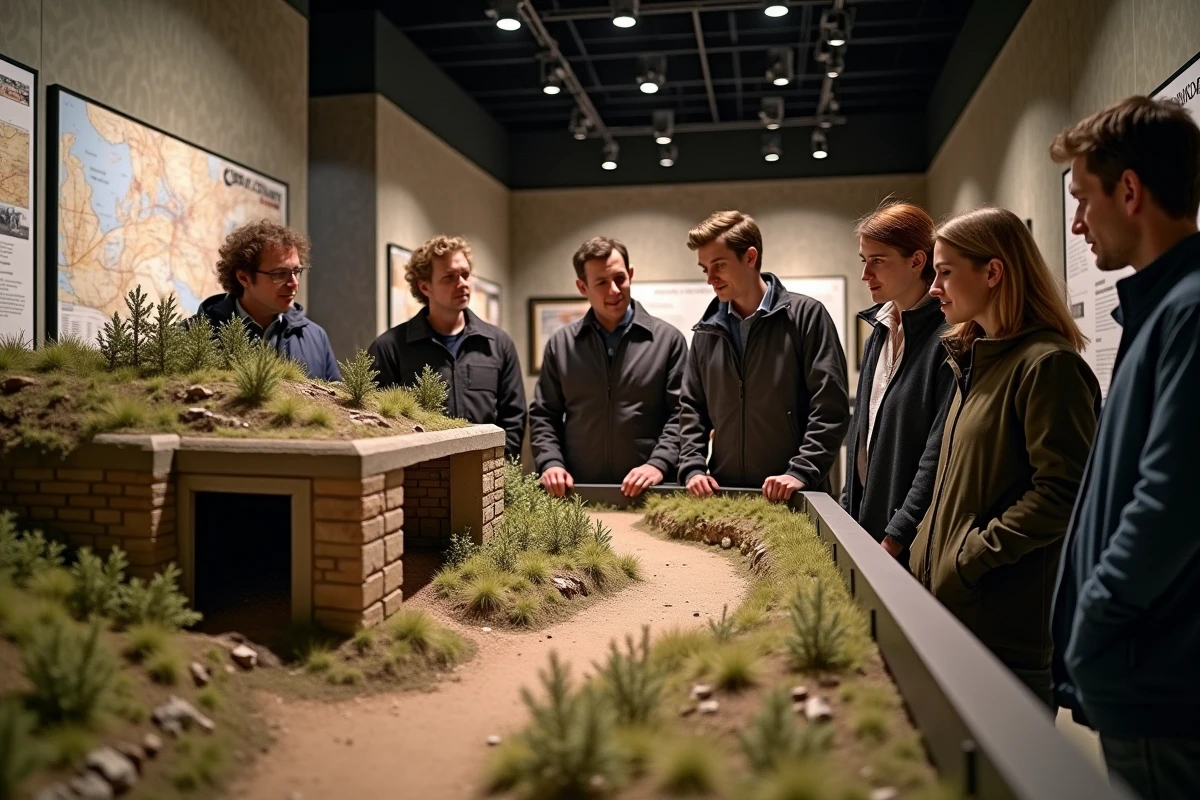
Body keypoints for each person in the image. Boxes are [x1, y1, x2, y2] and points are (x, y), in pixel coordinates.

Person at [1049, 96, 1200, 800]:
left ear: (1130, 191)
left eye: (1083, 198)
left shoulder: (1188, 311)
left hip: (1160, 676)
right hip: (1143, 667)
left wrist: (1095, 620)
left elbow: (1172, 499)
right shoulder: (1165, 307)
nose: (1078, 223)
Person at [908, 206, 1099, 709]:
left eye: (945, 272)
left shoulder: (1048, 366)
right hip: (954, 616)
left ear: (993, 272)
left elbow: (1062, 494)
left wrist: (967, 559)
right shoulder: (975, 360)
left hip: (1002, 634)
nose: (934, 288)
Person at [678, 210, 849, 501]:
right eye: (705, 269)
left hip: (796, 496)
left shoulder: (807, 317)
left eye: (719, 265)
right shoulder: (707, 331)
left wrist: (801, 472)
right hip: (725, 497)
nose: (710, 279)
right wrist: (692, 468)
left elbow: (830, 407)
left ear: (750, 257)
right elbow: (692, 408)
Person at [530, 236, 687, 498]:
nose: (614, 290)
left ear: (631, 274)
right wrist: (551, 463)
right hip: (578, 493)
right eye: (601, 282)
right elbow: (545, 415)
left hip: (652, 492)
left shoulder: (668, 340)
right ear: (582, 287)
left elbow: (682, 413)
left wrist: (658, 463)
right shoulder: (561, 344)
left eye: (620, 278)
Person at [841, 202, 953, 564]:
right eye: (864, 260)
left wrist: (898, 535)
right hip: (867, 528)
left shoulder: (948, 338)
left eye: (878, 260)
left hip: (907, 544)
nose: (865, 274)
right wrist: (848, 510)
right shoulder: (879, 330)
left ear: (917, 261)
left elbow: (937, 453)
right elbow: (863, 432)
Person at [368, 235, 526, 460]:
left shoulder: (498, 344)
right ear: (425, 286)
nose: (462, 283)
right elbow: (376, 420)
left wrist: (501, 467)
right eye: (449, 277)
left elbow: (514, 416)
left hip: (487, 469)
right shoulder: (389, 348)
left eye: (465, 274)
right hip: (420, 471)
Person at [188, 219, 341, 381]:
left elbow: (335, 396)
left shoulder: (315, 336)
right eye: (280, 274)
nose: (294, 283)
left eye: (296, 271)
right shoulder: (192, 335)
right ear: (244, 278)